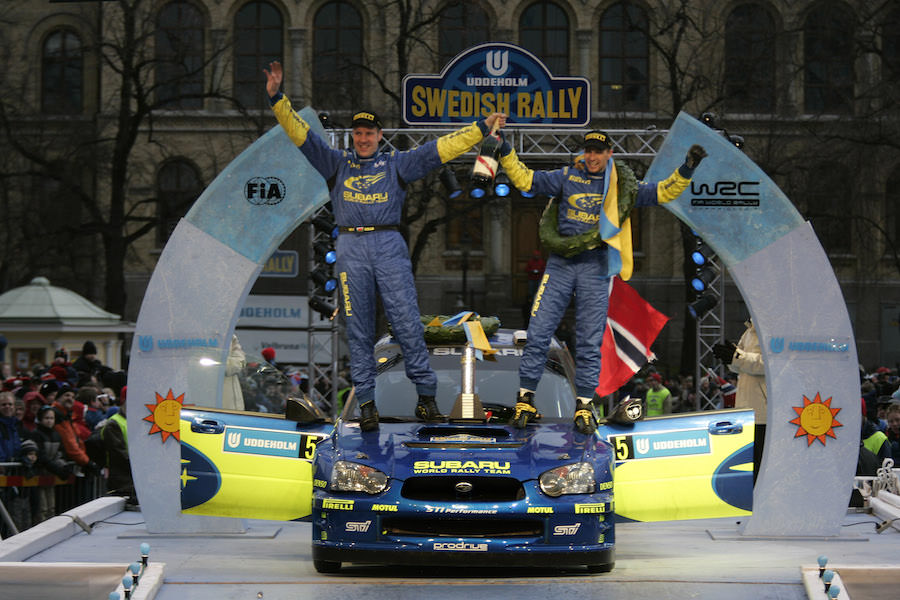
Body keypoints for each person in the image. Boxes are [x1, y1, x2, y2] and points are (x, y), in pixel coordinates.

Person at [264, 60, 506, 431]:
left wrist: (479, 129)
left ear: (379, 136)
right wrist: (278, 99)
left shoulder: (397, 164)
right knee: (358, 329)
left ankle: (426, 398)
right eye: (358, 133)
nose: (363, 139)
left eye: (369, 133)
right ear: (354, 136)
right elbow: (303, 137)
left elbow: (440, 149)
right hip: (349, 246)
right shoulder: (335, 163)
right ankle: (366, 405)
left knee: (407, 323)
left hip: (388, 242)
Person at [498, 129, 707, 434]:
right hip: (561, 263)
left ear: (610, 154)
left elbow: (664, 192)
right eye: (589, 151)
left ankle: (583, 404)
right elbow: (525, 179)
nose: (593, 157)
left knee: (588, 339)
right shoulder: (566, 176)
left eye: (599, 151)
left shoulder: (621, 185)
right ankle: (525, 399)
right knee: (539, 331)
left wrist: (688, 167)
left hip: (595, 266)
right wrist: (505, 149)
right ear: (584, 152)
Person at [713, 319, 766, 483]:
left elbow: (771, 364)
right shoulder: (749, 331)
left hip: (764, 414)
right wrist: (730, 358)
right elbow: (739, 364)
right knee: (752, 469)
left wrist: (737, 357)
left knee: (763, 467)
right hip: (746, 411)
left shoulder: (770, 330)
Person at [29, 405, 70, 524]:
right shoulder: (37, 434)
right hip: (39, 474)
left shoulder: (56, 435)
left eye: (51, 418)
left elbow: (59, 454)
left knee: (51, 507)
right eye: (46, 418)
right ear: (40, 419)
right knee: (42, 508)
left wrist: (63, 466)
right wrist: (57, 468)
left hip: (51, 475)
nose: (49, 421)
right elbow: (41, 456)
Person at [102, 387, 135, 504]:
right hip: (122, 483)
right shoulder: (114, 423)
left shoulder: (134, 422)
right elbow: (119, 455)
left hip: (133, 481)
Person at [223, 334, 246, 411]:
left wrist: (223, 364)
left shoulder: (230, 335)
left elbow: (241, 362)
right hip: (205, 405)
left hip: (232, 406)